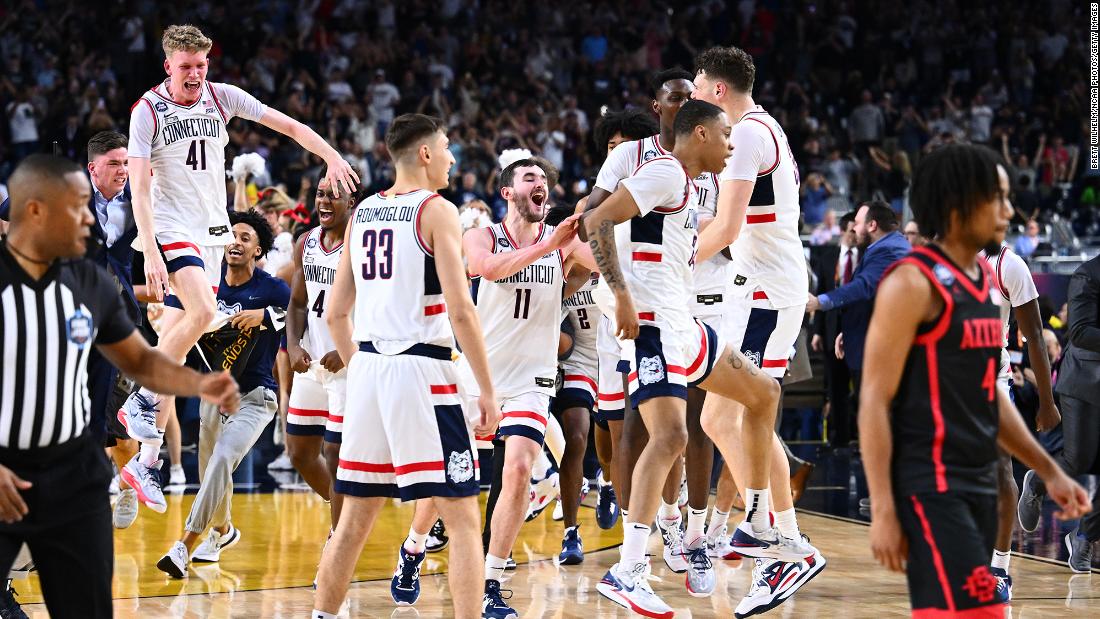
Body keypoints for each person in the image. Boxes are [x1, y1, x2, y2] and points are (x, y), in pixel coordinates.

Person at [117, 24, 358, 512]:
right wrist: (149, 247)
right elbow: (139, 188)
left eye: (201, 65)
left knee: (187, 327)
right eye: (186, 66)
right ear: (168, 66)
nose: (194, 74)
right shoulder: (147, 110)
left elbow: (287, 125)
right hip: (169, 225)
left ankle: (147, 457)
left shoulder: (221, 97)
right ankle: (140, 398)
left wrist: (330, 154)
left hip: (211, 230)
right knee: (201, 314)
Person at [585, 99, 803, 618]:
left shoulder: (687, 184)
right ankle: (630, 571)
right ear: (700, 134)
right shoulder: (662, 172)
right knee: (671, 436)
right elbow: (596, 220)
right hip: (652, 325)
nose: (733, 144)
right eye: (726, 134)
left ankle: (756, 522)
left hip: (685, 326)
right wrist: (619, 297)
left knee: (763, 393)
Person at [0, 154, 239, 618]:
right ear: (35, 211)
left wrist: (197, 382)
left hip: (74, 474)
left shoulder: (91, 282)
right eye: (77, 207)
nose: (91, 218)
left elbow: (140, 361)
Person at [860, 144, 1089, 617]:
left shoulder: (983, 282)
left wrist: (1047, 470)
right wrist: (883, 507)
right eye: (998, 198)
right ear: (960, 204)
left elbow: (989, 393)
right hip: (931, 485)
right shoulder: (911, 283)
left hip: (974, 485)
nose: (1009, 210)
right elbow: (874, 402)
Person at [312, 114, 498, 619]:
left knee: (353, 520)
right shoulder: (437, 211)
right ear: (424, 154)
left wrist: (367, 368)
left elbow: (335, 312)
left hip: (369, 369)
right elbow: (462, 309)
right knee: (460, 516)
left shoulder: (365, 211)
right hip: (424, 370)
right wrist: (486, 389)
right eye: (446, 148)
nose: (452, 158)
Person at [692, 46, 827, 615]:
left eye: (699, 88)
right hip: (757, 287)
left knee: (735, 413)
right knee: (722, 415)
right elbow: (728, 223)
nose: (694, 98)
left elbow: (726, 226)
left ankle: (780, 542)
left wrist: (669, 266)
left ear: (718, 91)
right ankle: (781, 532)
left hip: (768, 294)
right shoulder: (758, 129)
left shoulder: (747, 133)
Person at [587, 70, 719, 586]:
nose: (685, 102)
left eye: (692, 96)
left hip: (686, 302)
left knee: (701, 419)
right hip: (637, 303)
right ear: (658, 105)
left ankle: (694, 531)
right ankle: (637, 542)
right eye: (675, 96)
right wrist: (618, 289)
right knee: (637, 429)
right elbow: (592, 213)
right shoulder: (637, 159)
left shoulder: (704, 169)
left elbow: (713, 232)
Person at [464, 156, 590, 619]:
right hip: (479, 378)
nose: (542, 185)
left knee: (517, 469)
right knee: (446, 481)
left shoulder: (563, 244)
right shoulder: (481, 234)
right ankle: (415, 547)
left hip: (532, 382)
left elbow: (609, 263)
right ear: (507, 192)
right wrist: (551, 247)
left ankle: (492, 583)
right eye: (530, 178)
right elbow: (486, 269)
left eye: (546, 181)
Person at [156, 209, 290, 577]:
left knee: (222, 459)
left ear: (258, 250)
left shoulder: (272, 289)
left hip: (256, 396)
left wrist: (267, 316)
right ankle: (223, 531)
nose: (235, 241)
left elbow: (299, 316)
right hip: (214, 394)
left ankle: (184, 545)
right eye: (232, 235)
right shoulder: (207, 285)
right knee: (213, 474)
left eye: (246, 238)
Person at [285, 167, 360, 536]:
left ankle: (337, 543)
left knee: (335, 454)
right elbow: (297, 303)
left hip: (349, 367)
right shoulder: (307, 242)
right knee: (299, 452)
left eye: (333, 195)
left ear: (352, 202)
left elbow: (384, 307)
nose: (324, 201)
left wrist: (351, 348)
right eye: (320, 193)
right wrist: (294, 343)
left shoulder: (364, 246)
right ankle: (343, 510)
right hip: (313, 363)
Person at [1017, 252, 1100, 573]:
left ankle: (1084, 537)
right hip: (1084, 378)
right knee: (1077, 459)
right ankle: (1036, 482)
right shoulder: (1087, 274)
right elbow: (1079, 332)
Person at [806, 201, 910, 402]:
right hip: (870, 341)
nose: (853, 228)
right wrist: (852, 328)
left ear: (872, 225)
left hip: (882, 352)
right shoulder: (886, 246)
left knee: (877, 417)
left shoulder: (888, 250)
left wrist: (820, 302)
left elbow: (864, 286)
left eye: (858, 222)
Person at [811, 211, 858, 446]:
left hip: (857, 328)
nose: (855, 234)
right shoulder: (828, 257)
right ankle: (838, 440)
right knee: (835, 387)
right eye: (851, 230)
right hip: (831, 328)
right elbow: (820, 295)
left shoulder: (867, 257)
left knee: (859, 387)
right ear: (842, 231)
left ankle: (858, 438)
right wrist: (817, 331)